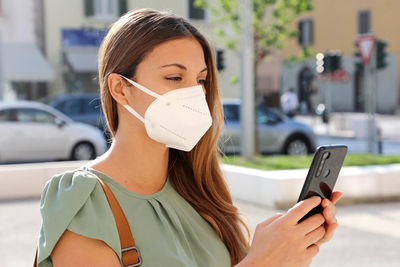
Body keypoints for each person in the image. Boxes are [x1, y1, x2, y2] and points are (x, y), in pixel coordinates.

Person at [35, 8, 342, 267]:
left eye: (201, 79)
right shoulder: (83, 201)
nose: (195, 93)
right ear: (120, 89)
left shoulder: (198, 191)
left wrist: (289, 250)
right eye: (173, 77)